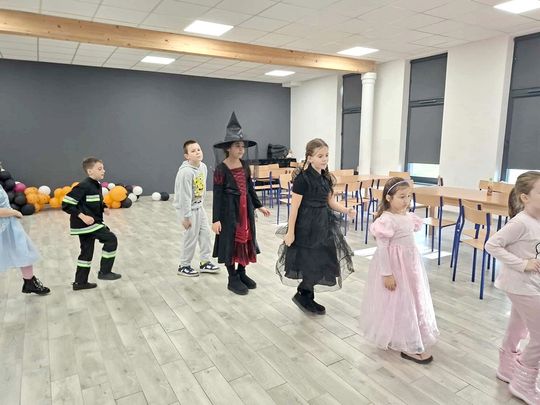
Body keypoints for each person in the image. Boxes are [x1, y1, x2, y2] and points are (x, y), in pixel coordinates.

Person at [360, 177, 438, 364]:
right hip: (394, 267)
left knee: (411, 299)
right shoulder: (386, 220)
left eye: (409, 196)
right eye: (402, 197)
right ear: (389, 198)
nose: (407, 201)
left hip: (409, 266)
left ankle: (405, 335)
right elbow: (382, 249)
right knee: (399, 301)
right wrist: (387, 274)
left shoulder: (408, 216)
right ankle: (408, 345)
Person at [276, 138, 355, 315]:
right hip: (306, 225)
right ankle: (305, 295)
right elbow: (294, 208)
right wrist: (290, 232)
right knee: (310, 262)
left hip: (323, 223)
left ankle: (305, 295)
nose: (324, 159)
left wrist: (346, 210)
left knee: (323, 262)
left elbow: (330, 202)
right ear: (310, 157)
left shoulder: (326, 178)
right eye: (320, 156)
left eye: (326, 155)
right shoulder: (302, 180)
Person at [485, 171, 540, 404]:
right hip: (520, 284)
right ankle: (523, 383)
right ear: (525, 197)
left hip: (530, 283)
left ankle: (507, 369)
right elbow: (492, 245)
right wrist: (522, 264)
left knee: (518, 326)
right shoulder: (520, 222)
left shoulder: (536, 220)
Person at [212, 112, 270, 295]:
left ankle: (241, 272)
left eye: (242, 146)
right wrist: (216, 219)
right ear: (228, 148)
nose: (241, 149)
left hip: (246, 210)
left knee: (246, 239)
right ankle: (232, 278)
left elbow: (249, 187)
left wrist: (259, 205)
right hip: (229, 212)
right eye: (237, 146)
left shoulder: (244, 166)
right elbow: (217, 196)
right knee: (230, 242)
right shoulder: (221, 169)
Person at [62, 157, 121, 290]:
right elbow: (66, 204)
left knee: (86, 253)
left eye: (103, 168)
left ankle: (80, 283)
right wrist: (83, 216)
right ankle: (105, 272)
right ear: (90, 171)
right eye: (100, 169)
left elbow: (95, 201)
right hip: (87, 225)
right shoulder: (83, 185)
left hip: (89, 225)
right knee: (111, 239)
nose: (103, 171)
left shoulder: (96, 185)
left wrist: (104, 207)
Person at [173, 139, 219, 276]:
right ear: (187, 156)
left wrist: (201, 205)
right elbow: (185, 196)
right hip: (187, 209)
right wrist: (186, 217)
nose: (197, 152)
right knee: (190, 237)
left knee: (205, 234)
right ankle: (184, 265)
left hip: (198, 207)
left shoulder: (203, 167)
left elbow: (202, 190)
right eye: (193, 151)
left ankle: (205, 262)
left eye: (198, 149)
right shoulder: (186, 173)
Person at [0, 184, 50, 295]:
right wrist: (14, 212)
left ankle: (29, 282)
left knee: (23, 250)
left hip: (9, 225)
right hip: (5, 224)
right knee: (22, 250)